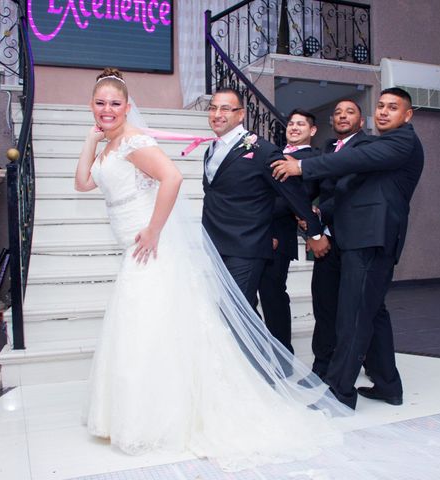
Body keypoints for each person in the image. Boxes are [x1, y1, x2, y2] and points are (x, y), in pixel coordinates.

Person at [75, 68, 348, 471]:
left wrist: (153, 229)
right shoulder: (109, 146)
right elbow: (83, 183)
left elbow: (170, 178)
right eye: (100, 103)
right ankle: (136, 409)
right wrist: (90, 140)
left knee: (154, 327)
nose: (107, 110)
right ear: (92, 107)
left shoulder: (134, 142)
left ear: (128, 106)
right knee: (141, 329)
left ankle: (171, 411)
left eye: (115, 103)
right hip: (145, 249)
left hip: (153, 247)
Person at [272, 87, 424, 409]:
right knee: (373, 313)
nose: (383, 111)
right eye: (380, 105)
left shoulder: (402, 141)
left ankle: (340, 394)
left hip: (371, 238)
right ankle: (387, 385)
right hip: (357, 237)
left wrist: (303, 167)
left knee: (353, 317)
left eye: (392, 107)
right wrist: (320, 214)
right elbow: (353, 190)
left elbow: (355, 158)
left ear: (407, 115)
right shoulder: (384, 144)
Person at [202, 88, 329, 312]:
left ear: (241, 115)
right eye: (213, 108)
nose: (217, 114)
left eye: (225, 108)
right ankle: (257, 348)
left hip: (247, 245)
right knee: (233, 310)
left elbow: (293, 194)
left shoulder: (263, 150)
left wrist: (315, 232)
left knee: (235, 310)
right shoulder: (211, 149)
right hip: (216, 242)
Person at [307, 100, 370, 380]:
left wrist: (320, 211)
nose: (342, 116)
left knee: (356, 310)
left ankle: (359, 366)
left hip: (356, 241)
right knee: (324, 305)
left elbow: (352, 191)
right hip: (328, 239)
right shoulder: (329, 149)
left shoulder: (368, 148)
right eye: (337, 113)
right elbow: (319, 189)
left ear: (361, 122)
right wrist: (308, 219)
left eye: (350, 112)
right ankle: (321, 367)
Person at [257, 108, 319, 356]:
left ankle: (282, 352)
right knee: (252, 292)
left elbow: (299, 197)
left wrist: (256, 212)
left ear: (312, 130)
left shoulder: (313, 159)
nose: (293, 127)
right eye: (291, 123)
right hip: (256, 232)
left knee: (273, 294)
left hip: (278, 233)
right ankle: (257, 347)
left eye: (301, 124)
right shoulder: (273, 154)